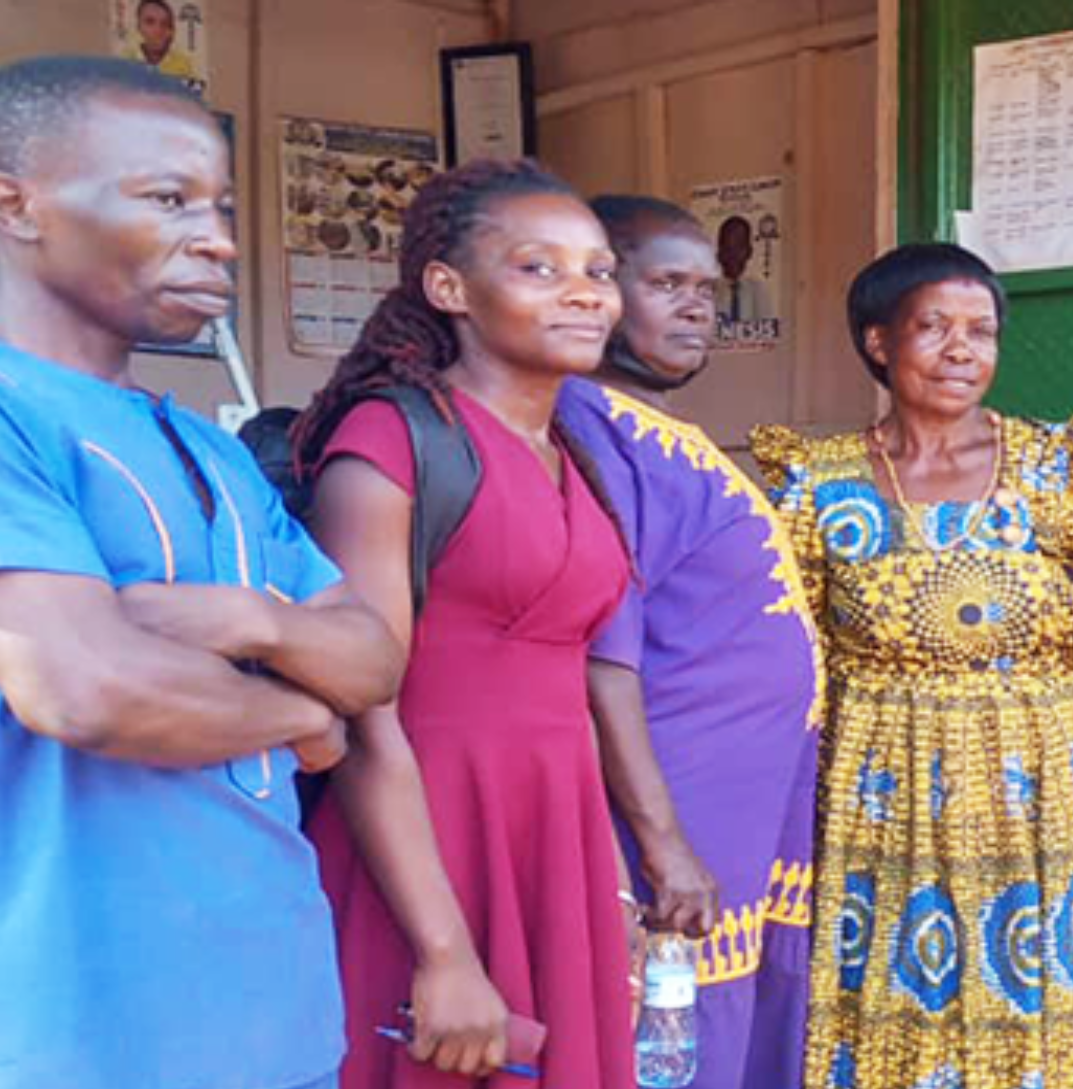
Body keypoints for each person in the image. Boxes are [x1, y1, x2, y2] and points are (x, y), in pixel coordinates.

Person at [0, 56, 402, 1089]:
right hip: (76, 1035)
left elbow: (371, 656)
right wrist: (303, 716)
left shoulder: (213, 450)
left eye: (219, 205)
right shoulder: (15, 414)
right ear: (16, 204)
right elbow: (89, 690)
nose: (219, 237)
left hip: (275, 1016)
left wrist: (250, 621)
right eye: (167, 198)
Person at [752, 243, 1073, 1089]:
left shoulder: (1058, 467)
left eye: (982, 331)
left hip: (1045, 782)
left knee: (1049, 996)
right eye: (933, 327)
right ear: (879, 341)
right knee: (884, 994)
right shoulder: (815, 481)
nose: (961, 350)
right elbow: (790, 648)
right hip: (876, 789)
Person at [292, 159, 635, 1088]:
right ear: (448, 288)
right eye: (539, 267)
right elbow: (362, 712)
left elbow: (567, 690)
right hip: (420, 847)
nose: (584, 293)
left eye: (599, 271)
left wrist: (607, 882)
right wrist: (442, 949)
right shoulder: (390, 440)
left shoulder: (570, 454)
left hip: (554, 839)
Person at [556, 195, 821, 1089]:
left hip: (744, 797)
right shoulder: (593, 429)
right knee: (678, 1030)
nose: (697, 307)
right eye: (666, 283)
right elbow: (605, 657)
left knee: (742, 1017)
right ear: (599, 291)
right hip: (679, 799)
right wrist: (663, 843)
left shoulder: (655, 428)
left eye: (706, 289)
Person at [119, 0, 200, 83]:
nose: (158, 30)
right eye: (150, 22)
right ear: (139, 27)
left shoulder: (184, 65)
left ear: (171, 31)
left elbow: (195, 89)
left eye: (164, 23)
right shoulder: (125, 60)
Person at [714, 215, 770, 326]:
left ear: (749, 251)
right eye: (727, 248)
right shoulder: (710, 292)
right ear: (718, 254)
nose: (733, 255)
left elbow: (767, 329)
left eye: (739, 247)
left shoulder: (758, 290)